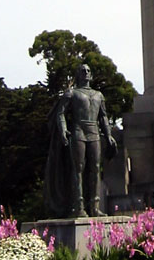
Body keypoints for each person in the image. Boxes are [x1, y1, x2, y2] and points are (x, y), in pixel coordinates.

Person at [44, 63, 116, 218]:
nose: (86, 73)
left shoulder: (98, 95)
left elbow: (103, 117)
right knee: (78, 168)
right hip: (78, 131)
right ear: (77, 74)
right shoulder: (71, 93)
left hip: (94, 132)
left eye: (88, 71)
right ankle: (79, 206)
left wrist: (108, 134)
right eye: (83, 71)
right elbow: (60, 113)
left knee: (95, 168)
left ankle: (95, 207)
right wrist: (63, 129)